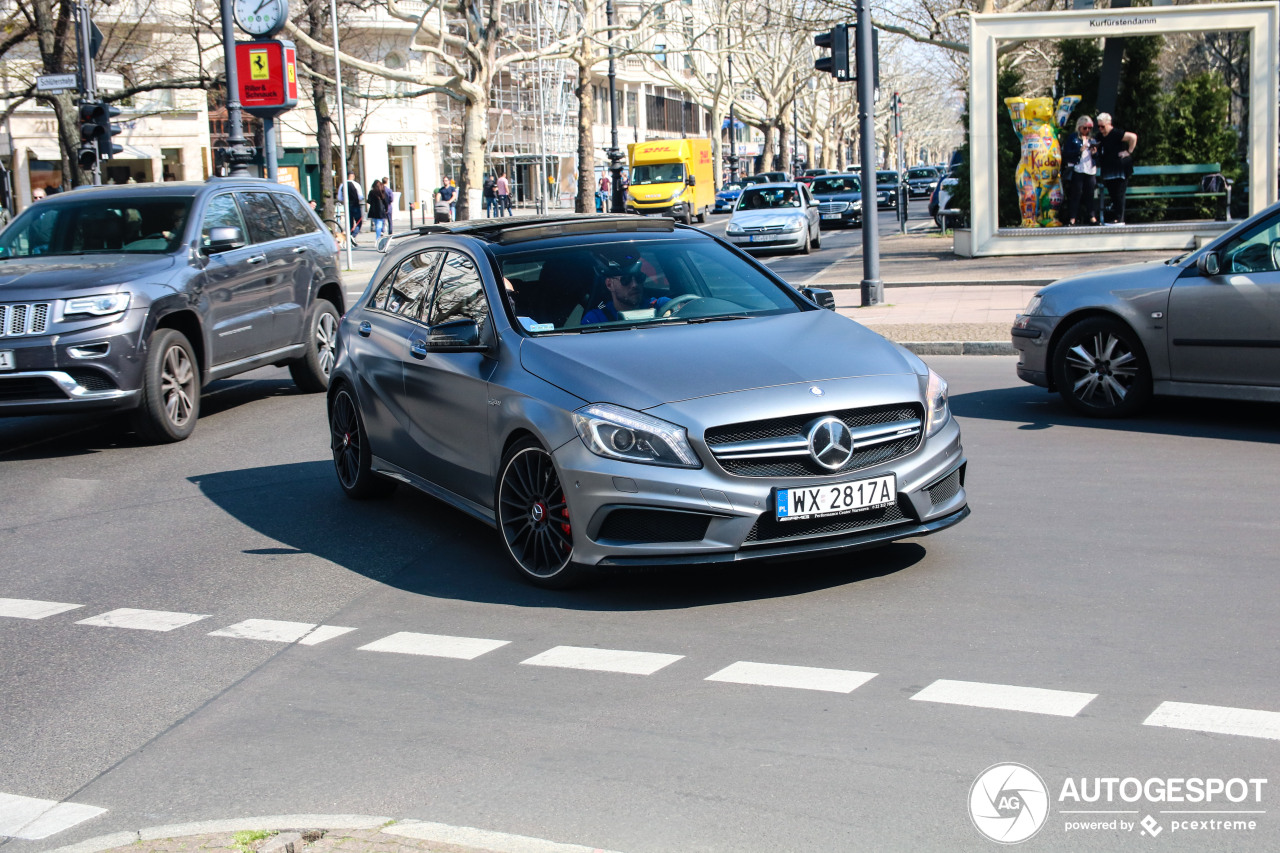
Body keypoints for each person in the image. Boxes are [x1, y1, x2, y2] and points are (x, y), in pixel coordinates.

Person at [581, 259, 669, 324]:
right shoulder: (595, 320)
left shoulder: (663, 306)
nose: (634, 285)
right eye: (626, 280)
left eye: (639, 277)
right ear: (609, 284)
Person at [1096, 112, 1138, 225]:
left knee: (1119, 193)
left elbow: (1133, 137)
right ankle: (1116, 217)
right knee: (1112, 193)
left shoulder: (1116, 133)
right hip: (1108, 168)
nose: (1100, 129)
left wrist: (1129, 151)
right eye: (1098, 126)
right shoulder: (1100, 136)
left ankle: (1119, 218)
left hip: (1119, 168)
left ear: (1109, 124)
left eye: (1103, 126)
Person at [1061, 115, 1099, 226]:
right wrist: (1079, 150)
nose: (1087, 131)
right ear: (1079, 127)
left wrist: (1094, 153)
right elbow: (1067, 154)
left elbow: (1097, 157)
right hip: (1077, 169)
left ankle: (1092, 217)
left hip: (1090, 169)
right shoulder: (1073, 138)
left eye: (1089, 128)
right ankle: (1072, 218)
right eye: (1085, 128)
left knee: (1090, 194)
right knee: (1075, 194)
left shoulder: (1092, 139)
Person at [344, 171, 364, 246]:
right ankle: (353, 236)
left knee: (350, 223)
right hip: (355, 205)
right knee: (359, 221)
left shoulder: (343, 185)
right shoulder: (356, 185)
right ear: (353, 176)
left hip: (347, 206)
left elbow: (339, 197)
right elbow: (360, 196)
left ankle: (350, 237)